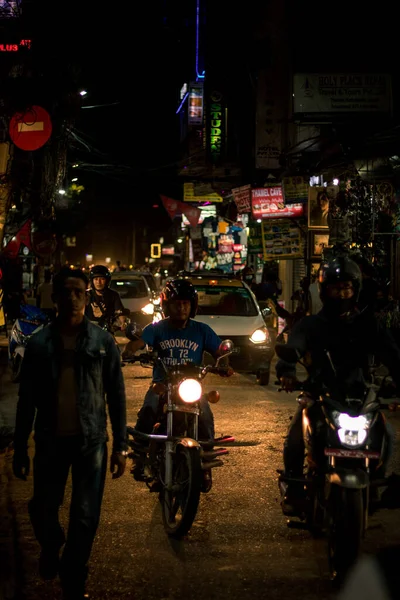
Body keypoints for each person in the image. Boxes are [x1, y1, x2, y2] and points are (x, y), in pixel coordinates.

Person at [12, 267, 128, 600]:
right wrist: (21, 446)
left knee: (86, 514)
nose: (74, 298)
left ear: (86, 296)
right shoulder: (39, 344)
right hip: (49, 439)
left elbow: (116, 396)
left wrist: (121, 446)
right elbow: (26, 400)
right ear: (57, 297)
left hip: (90, 442)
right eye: (68, 292)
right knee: (42, 507)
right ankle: (51, 544)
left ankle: (74, 569)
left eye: (80, 292)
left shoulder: (102, 342)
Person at [276, 255, 400, 512]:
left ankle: (376, 483)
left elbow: (392, 354)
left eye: (347, 288)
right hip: (319, 394)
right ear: (324, 291)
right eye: (336, 288)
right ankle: (294, 488)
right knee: (296, 437)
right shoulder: (311, 324)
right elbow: (294, 347)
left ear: (355, 290)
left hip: (360, 396)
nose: (342, 294)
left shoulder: (368, 324)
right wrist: (287, 370)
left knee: (386, 433)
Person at [122, 278, 233, 491]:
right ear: (167, 306)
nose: (181, 307)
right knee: (149, 408)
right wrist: (130, 350)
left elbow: (220, 350)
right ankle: (139, 454)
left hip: (191, 385)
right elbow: (139, 342)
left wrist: (224, 363)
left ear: (192, 306)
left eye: (185, 303)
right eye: (176, 303)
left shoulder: (202, 330)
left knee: (206, 415)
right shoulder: (157, 328)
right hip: (163, 384)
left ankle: (205, 461)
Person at [85, 264, 126, 330]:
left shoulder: (113, 295)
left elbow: (119, 313)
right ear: (92, 281)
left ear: (107, 281)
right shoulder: (86, 295)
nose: (99, 282)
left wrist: (123, 323)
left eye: (102, 279)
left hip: (108, 331)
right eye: (96, 279)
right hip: (89, 331)